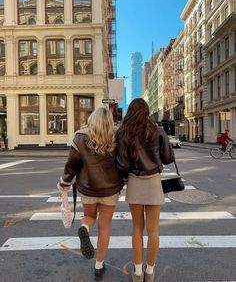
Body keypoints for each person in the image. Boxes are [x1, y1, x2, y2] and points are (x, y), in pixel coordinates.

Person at [58, 107, 123, 280]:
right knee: (104, 227)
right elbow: (123, 162)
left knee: (89, 216)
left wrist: (64, 183)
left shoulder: (80, 137)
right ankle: (99, 265)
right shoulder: (117, 135)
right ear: (109, 121)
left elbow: (71, 165)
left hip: (88, 188)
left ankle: (84, 228)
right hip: (110, 189)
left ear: (92, 119)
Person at [116, 98, 175, 282]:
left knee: (136, 228)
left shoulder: (124, 133)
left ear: (130, 112)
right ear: (147, 112)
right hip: (153, 182)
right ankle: (150, 272)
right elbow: (168, 158)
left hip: (134, 181)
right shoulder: (157, 131)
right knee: (153, 230)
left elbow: (122, 164)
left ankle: (138, 271)